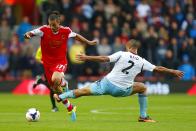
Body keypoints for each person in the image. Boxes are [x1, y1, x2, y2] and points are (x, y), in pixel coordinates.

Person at [54, 39, 184, 122]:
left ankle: (61, 96)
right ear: (136, 49)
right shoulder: (142, 61)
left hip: (107, 84)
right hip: (122, 91)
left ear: (128, 47)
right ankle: (143, 116)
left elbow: (105, 59)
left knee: (83, 91)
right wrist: (173, 71)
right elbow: (158, 68)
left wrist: (87, 57)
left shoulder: (122, 53)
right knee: (142, 87)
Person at [24, 11, 97, 121]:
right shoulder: (44, 30)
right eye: (50, 24)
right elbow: (31, 33)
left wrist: (89, 42)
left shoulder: (66, 30)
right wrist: (27, 35)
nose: (52, 27)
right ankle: (70, 107)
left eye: (54, 25)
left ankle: (63, 82)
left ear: (59, 23)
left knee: (56, 79)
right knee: (56, 90)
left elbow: (76, 36)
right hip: (48, 65)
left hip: (60, 62)